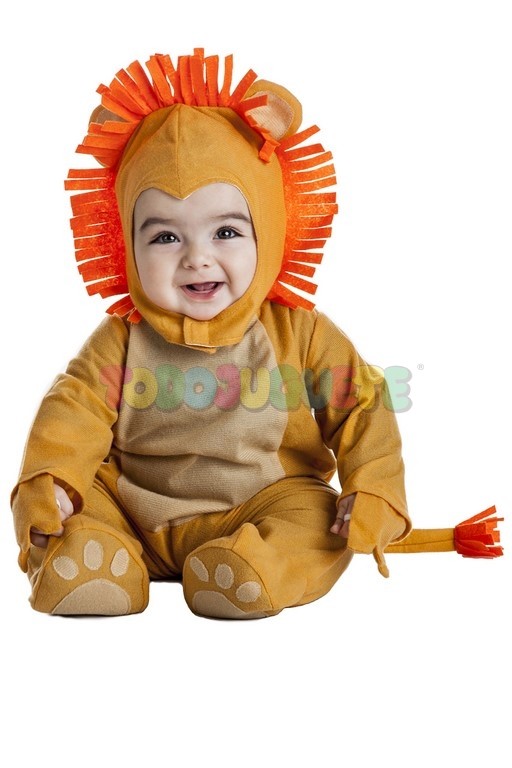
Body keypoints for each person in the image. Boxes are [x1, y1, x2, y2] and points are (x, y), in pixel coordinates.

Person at [10, 49, 499, 619]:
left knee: (317, 520)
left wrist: (372, 488)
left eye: (225, 231)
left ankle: (255, 566)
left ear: (270, 229)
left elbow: (361, 403)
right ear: (126, 242)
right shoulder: (122, 339)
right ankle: (94, 557)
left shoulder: (299, 332)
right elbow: (73, 409)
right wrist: (53, 481)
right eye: (165, 237)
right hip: (134, 509)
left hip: (263, 504)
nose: (197, 258)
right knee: (80, 504)